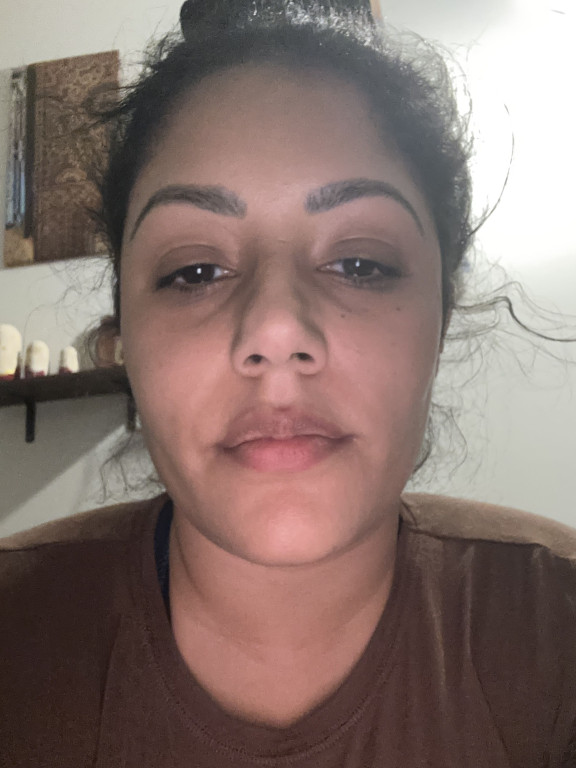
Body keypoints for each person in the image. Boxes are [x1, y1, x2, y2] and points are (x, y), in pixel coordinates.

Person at [1, 1, 575, 765]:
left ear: (439, 318)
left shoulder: (555, 640)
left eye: (360, 263)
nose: (275, 330)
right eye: (194, 271)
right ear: (124, 337)